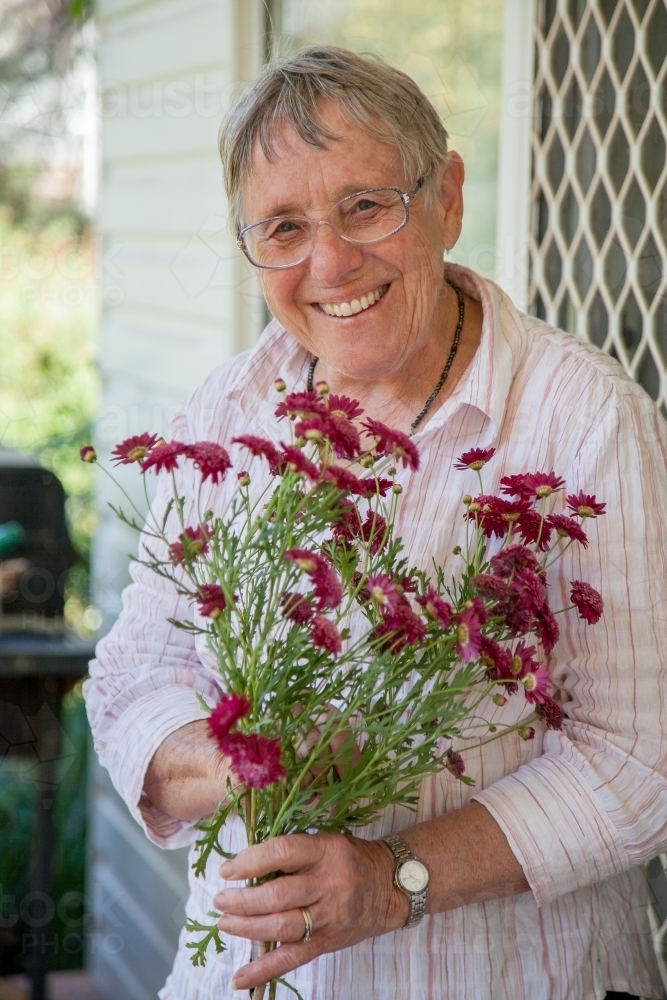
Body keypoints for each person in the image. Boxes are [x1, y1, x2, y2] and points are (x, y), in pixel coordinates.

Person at [84, 47, 667, 1000]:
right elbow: (131, 677)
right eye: (283, 227)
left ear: (446, 198)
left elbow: (639, 759)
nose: (330, 264)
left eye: (365, 206)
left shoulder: (583, 418)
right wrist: (244, 759)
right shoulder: (231, 413)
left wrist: (397, 880)